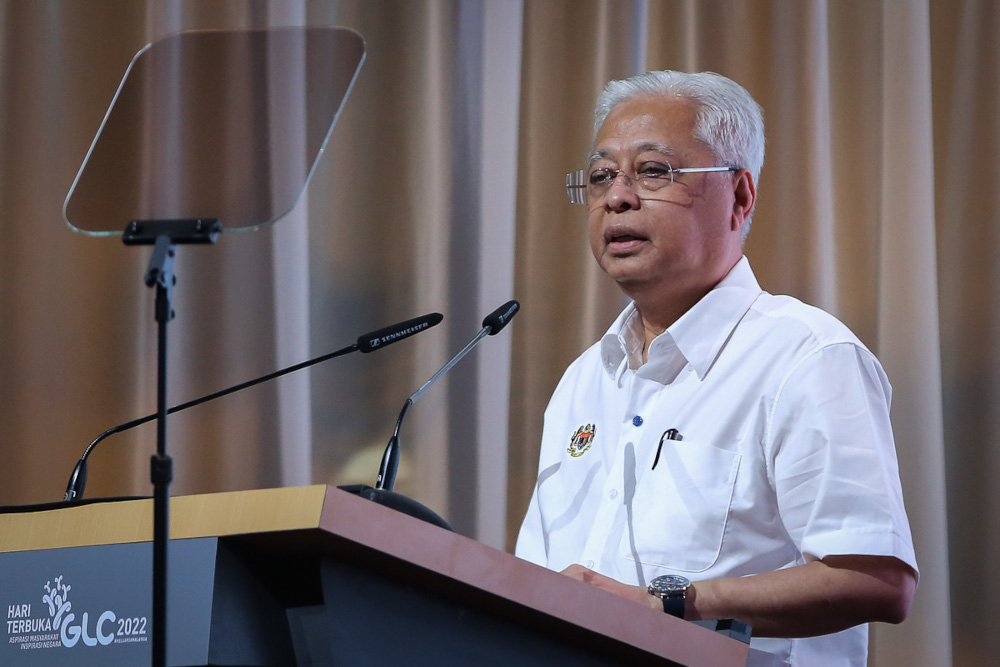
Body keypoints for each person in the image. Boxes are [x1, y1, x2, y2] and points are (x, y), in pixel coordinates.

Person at [514, 70, 918, 666]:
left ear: (740, 196)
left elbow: (875, 579)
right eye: (601, 177)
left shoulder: (805, 357)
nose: (617, 197)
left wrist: (670, 604)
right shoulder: (584, 380)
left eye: (653, 171)